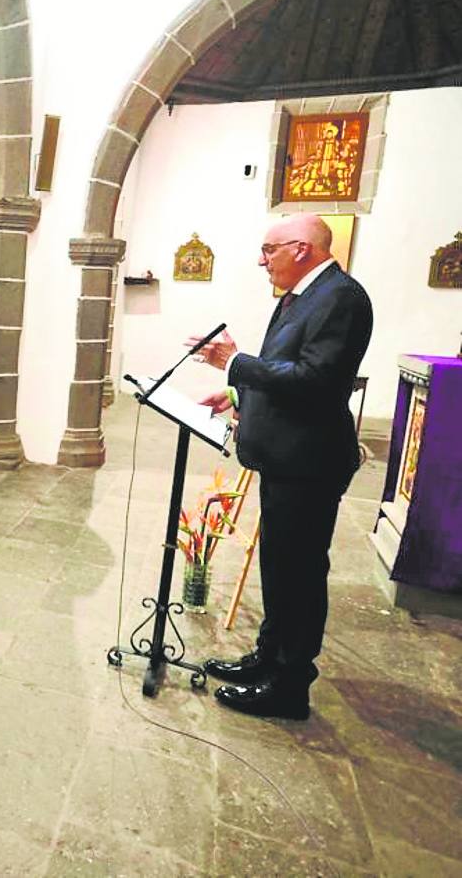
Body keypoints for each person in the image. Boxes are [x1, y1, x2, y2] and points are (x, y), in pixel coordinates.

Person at [190, 214, 373, 721]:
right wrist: (237, 394)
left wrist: (235, 363)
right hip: (286, 457)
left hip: (309, 461)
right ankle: (268, 656)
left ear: (302, 248)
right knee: (279, 565)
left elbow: (317, 380)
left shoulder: (341, 298)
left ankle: (290, 686)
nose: (261, 260)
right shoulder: (300, 297)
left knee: (300, 572)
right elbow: (287, 371)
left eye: (269, 249)